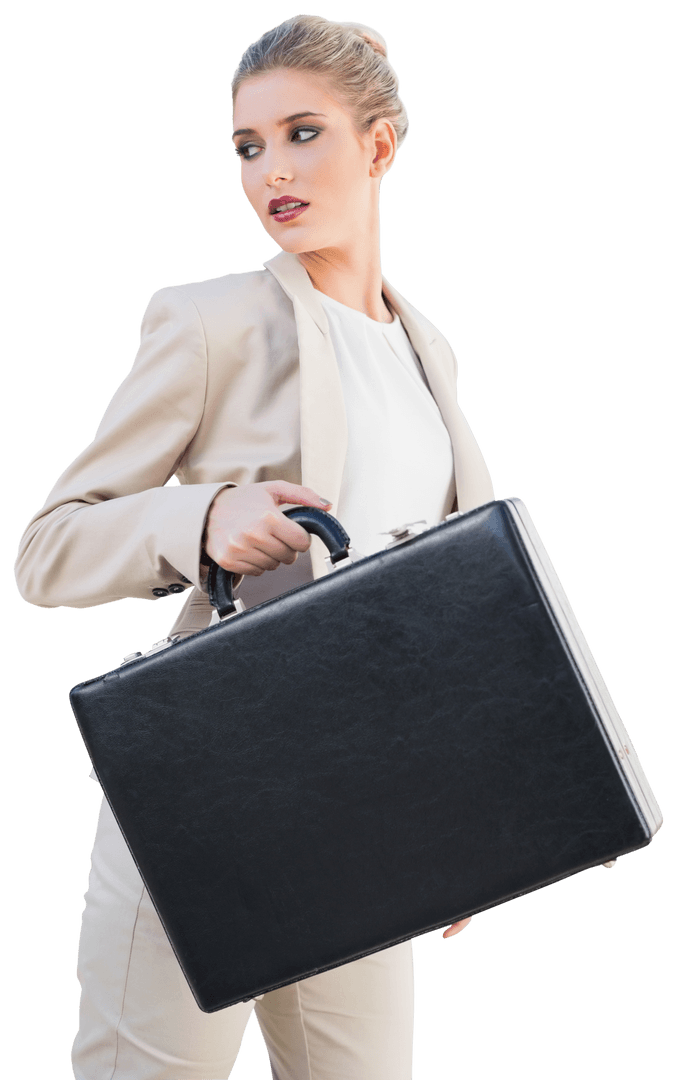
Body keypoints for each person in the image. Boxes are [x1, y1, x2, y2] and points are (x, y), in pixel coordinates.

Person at [14, 14, 494, 1080]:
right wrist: (200, 519)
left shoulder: (428, 353)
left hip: (363, 822)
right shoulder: (211, 322)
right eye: (247, 146)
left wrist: (459, 819)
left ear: (379, 143)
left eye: (301, 133)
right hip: (205, 798)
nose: (270, 170)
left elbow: (440, 606)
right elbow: (47, 550)